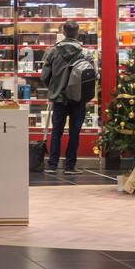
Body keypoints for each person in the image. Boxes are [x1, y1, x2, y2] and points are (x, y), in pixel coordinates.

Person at [41, 21, 92, 172]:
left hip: (58, 98)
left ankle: (52, 164)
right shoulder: (85, 53)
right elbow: (92, 76)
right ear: (78, 32)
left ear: (63, 32)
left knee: (56, 131)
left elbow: (44, 76)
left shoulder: (52, 52)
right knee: (74, 133)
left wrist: (54, 88)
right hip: (78, 99)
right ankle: (70, 166)